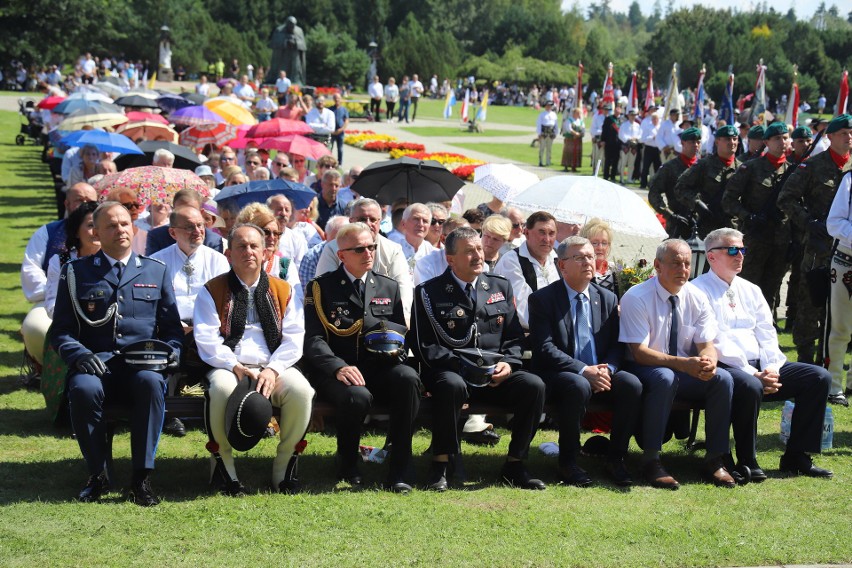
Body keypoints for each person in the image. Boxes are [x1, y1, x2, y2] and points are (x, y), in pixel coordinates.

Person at [50, 201, 184, 506]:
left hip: (141, 365)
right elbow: (60, 331)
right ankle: (97, 474)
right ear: (96, 232)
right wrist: (80, 355)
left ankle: (142, 478)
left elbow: (172, 329)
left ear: (134, 229)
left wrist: (173, 354)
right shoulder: (76, 273)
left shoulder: (155, 270)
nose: (120, 229)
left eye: (125, 223)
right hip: (96, 365)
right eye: (111, 225)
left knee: (151, 384)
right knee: (83, 388)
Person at [691, 228, 832, 481]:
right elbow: (715, 340)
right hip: (727, 366)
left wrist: (772, 369)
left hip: (764, 366)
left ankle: (796, 456)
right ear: (711, 256)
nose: (740, 255)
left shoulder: (751, 289)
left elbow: (767, 332)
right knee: (749, 384)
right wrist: (753, 372)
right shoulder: (698, 290)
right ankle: (747, 459)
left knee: (818, 377)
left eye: (742, 249)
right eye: (732, 250)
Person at [412, 227, 547, 491]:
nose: (478, 255)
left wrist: (510, 362)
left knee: (534, 386)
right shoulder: (429, 292)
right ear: (451, 259)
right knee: (451, 386)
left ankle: (515, 463)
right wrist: (464, 368)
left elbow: (514, 337)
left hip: (495, 374)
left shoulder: (498, 285)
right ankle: (440, 463)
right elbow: (423, 345)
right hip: (452, 372)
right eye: (469, 251)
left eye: (478, 248)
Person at [194, 224, 314, 495]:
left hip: (274, 365)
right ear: (228, 254)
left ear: (264, 253)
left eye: (254, 246)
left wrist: (272, 369)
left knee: (302, 391)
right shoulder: (211, 290)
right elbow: (206, 338)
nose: (248, 251)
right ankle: (224, 470)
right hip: (228, 365)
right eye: (241, 246)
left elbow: (295, 338)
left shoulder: (284, 290)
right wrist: (234, 365)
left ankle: (285, 469)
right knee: (221, 388)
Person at [303, 223, 420, 492]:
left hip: (378, 365)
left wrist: (397, 354)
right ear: (342, 255)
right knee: (358, 395)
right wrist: (337, 367)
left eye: (372, 247)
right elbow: (313, 339)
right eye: (359, 249)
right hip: (337, 369)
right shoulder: (322, 288)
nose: (368, 253)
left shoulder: (387, 286)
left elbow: (398, 331)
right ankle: (347, 461)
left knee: (408, 379)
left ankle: (401, 465)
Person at [619, 239, 736, 490]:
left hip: (683, 368)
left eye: (687, 264)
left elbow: (706, 343)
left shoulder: (697, 297)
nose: (683, 269)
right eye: (676, 263)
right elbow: (639, 352)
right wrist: (684, 364)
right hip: (644, 369)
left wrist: (709, 362)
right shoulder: (637, 296)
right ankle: (651, 460)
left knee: (723, 379)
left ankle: (715, 459)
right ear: (657, 265)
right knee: (664, 377)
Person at [529, 236, 642, 486]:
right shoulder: (543, 299)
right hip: (558, 374)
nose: (588, 262)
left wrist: (608, 369)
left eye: (591, 256)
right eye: (579, 257)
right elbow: (544, 348)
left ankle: (616, 458)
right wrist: (583, 370)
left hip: (601, 372)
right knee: (578, 385)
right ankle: (568, 463)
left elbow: (616, 345)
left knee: (631, 384)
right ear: (562, 265)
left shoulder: (607, 298)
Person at [777, 114, 852, 371]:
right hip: (818, 248)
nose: (849, 137)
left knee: (842, 310)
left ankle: (834, 365)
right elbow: (786, 198)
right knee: (811, 303)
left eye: (851, 132)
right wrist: (809, 222)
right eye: (843, 133)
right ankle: (807, 362)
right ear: (829, 137)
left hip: (847, 247)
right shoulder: (813, 166)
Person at [21, 183, 97, 375]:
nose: (84, 204)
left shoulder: (112, 249)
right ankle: (43, 368)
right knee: (35, 327)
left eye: (90, 201)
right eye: (80, 200)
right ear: (67, 203)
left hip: (101, 309)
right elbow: (31, 269)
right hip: (51, 299)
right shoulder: (48, 232)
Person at [722, 122, 792, 310]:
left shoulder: (792, 171)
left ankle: (767, 326)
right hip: (755, 237)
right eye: (777, 138)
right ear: (767, 142)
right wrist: (748, 216)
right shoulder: (751, 168)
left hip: (780, 239)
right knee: (747, 283)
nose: (782, 142)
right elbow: (728, 199)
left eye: (785, 138)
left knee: (772, 285)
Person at [316, 198, 414, 324]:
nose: (368, 224)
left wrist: (401, 328)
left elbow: (403, 293)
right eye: (362, 219)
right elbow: (324, 291)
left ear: (380, 222)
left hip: (382, 324)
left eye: (373, 219)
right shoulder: (332, 248)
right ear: (351, 221)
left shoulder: (393, 250)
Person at [492, 211, 559, 330]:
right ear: (527, 233)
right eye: (542, 232)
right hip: (523, 337)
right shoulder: (512, 261)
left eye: (552, 233)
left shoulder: (557, 259)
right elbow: (523, 312)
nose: (547, 239)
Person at [675, 123, 740, 239]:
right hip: (708, 225)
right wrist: (698, 204)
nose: (732, 142)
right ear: (717, 142)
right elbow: (680, 188)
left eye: (735, 139)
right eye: (727, 139)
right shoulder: (704, 165)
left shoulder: (742, 169)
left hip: (732, 227)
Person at [648, 126, 704, 239]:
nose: (696, 145)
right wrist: (669, 215)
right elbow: (654, 193)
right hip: (677, 224)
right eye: (692, 142)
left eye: (698, 142)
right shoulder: (670, 167)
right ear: (683, 143)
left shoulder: (704, 166)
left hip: (701, 225)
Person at [827, 171, 852, 405]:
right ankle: (834, 385)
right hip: (847, 261)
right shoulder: (849, 180)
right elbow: (833, 223)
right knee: (841, 327)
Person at [145, 189, 223, 255]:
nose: (186, 214)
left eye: (191, 209)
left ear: (201, 212)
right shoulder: (157, 237)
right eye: (180, 210)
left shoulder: (212, 241)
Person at [387, 203, 435, 275]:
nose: (421, 224)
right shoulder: (392, 250)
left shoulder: (433, 254)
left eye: (425, 221)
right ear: (403, 223)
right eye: (416, 219)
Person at [579, 218, 617, 294]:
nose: (600, 248)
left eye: (604, 243)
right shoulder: (579, 270)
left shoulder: (615, 269)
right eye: (595, 243)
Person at [267, 16, 306, 85]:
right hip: (283, 54)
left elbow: (303, 45)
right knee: (282, 69)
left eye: (293, 25)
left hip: (294, 53)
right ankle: (279, 81)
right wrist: (285, 42)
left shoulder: (299, 31)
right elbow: (274, 43)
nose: (291, 27)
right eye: (290, 25)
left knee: (296, 68)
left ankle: (296, 82)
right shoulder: (279, 30)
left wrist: (295, 42)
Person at [618, 108, 642, 184]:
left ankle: (629, 178)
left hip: (634, 146)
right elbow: (621, 135)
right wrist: (628, 139)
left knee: (631, 163)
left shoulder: (637, 125)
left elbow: (640, 135)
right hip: (626, 146)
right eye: (631, 115)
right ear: (628, 116)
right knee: (624, 162)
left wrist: (636, 138)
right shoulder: (624, 125)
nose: (632, 117)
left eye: (634, 115)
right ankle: (621, 178)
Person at [640, 108, 662, 188]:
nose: (655, 120)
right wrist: (651, 137)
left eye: (656, 119)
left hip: (657, 149)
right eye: (654, 119)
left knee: (657, 168)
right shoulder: (648, 127)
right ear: (652, 119)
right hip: (649, 148)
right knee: (646, 167)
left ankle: (656, 185)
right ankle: (643, 184)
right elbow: (643, 139)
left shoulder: (660, 127)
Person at [600, 105, 622, 181]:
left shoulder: (621, 120)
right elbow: (604, 130)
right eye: (616, 110)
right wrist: (603, 140)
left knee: (615, 161)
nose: (617, 111)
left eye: (619, 110)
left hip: (618, 143)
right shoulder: (608, 119)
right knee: (608, 160)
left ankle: (613, 176)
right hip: (609, 142)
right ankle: (606, 176)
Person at [536, 100, 559, 167]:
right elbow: (539, 124)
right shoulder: (542, 114)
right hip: (544, 132)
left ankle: (548, 161)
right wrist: (539, 133)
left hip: (551, 132)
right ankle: (541, 161)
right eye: (547, 106)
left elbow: (556, 124)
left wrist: (555, 133)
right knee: (542, 147)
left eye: (550, 106)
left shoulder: (554, 114)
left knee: (549, 148)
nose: (548, 107)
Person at [561, 108, 585, 172]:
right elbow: (569, 129)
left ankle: (574, 167)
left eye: (579, 113)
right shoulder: (569, 120)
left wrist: (579, 135)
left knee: (576, 153)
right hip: (570, 139)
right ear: (574, 113)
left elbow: (583, 129)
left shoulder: (580, 121)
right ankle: (566, 166)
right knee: (568, 152)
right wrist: (575, 134)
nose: (579, 114)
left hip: (577, 140)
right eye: (577, 113)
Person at [329, 93, 350, 165]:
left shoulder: (344, 109)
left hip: (340, 132)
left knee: (340, 149)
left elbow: (346, 120)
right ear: (333, 99)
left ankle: (339, 163)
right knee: (329, 148)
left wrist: (341, 129)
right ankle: (329, 162)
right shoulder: (330, 109)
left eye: (338, 98)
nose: (337, 99)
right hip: (332, 132)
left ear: (340, 99)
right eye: (335, 98)